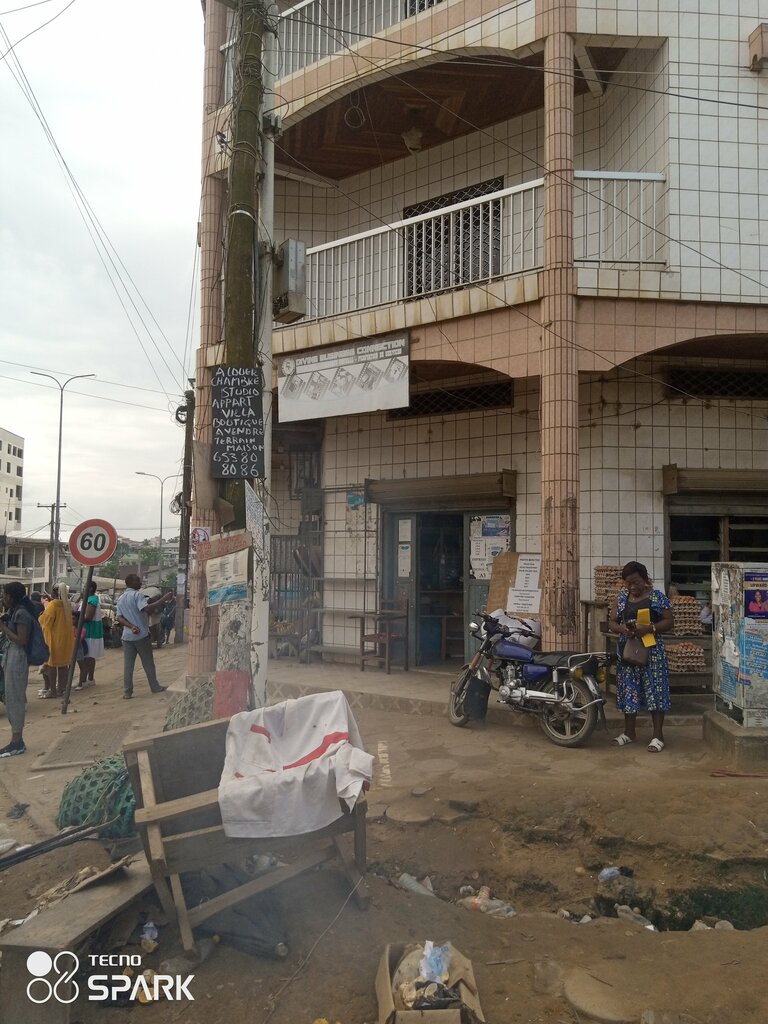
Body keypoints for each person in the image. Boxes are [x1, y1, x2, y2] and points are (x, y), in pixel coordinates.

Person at [607, 561, 674, 752]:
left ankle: (657, 736)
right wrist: (623, 629)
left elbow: (669, 622)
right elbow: (612, 622)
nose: (632, 586)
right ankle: (629, 732)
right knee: (629, 689)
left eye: (635, 582)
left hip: (652, 651)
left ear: (644, 579)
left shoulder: (656, 597)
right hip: (628, 650)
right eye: (628, 583)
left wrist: (650, 628)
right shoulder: (621, 598)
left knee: (655, 689)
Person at [116, 574, 173, 699]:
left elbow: (119, 617)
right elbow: (146, 608)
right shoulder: (137, 595)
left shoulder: (120, 598)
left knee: (128, 665)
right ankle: (155, 687)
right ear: (131, 583)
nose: (140, 582)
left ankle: (127, 692)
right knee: (148, 663)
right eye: (138, 581)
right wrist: (163, 599)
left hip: (127, 636)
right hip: (141, 635)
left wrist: (130, 626)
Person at [0, 582, 36, 756]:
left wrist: (4, 628)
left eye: (6, 594)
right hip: (11, 656)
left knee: (15, 698)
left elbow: (21, 640)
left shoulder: (21, 613)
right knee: (12, 696)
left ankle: (17, 741)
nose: (3, 597)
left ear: (13, 596)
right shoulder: (15, 612)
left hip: (17, 657)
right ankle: (16, 739)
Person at [39, 583, 75, 699]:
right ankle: (61, 689)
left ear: (55, 592)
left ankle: (53, 691)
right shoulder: (68, 604)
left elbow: (46, 622)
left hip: (54, 639)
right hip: (66, 639)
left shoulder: (53, 605)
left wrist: (41, 616)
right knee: (63, 665)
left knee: (52, 665)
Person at [75, 582, 104, 688]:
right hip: (86, 630)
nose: (83, 590)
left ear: (90, 588)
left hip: (90, 631)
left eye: (84, 588)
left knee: (88, 656)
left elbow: (88, 616)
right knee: (89, 656)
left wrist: (76, 618)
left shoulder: (93, 600)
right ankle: (89, 679)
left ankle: (86, 680)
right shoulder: (86, 600)